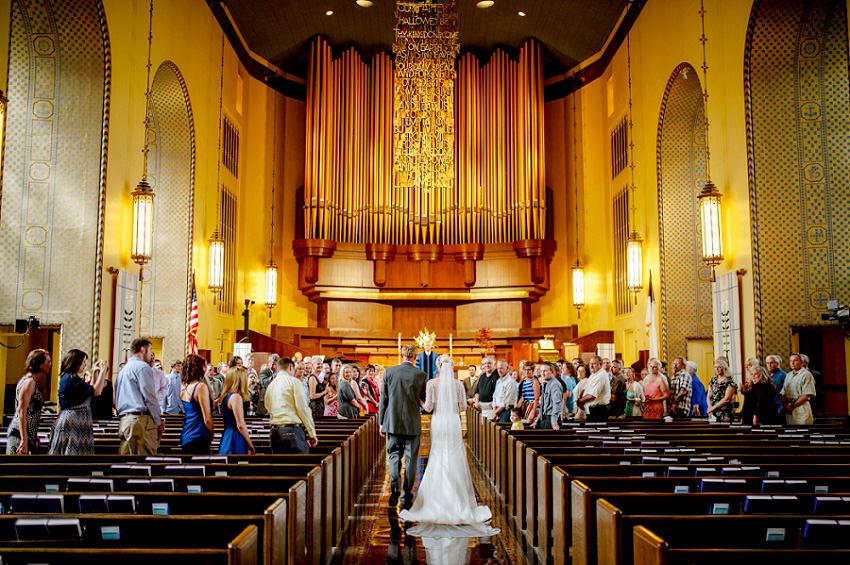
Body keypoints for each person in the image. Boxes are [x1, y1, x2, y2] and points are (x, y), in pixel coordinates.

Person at [398, 353, 499, 538]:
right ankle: (458, 501)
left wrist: (417, 399)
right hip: (453, 421)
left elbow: (428, 408)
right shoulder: (458, 384)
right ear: (451, 366)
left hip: (438, 421)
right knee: (454, 455)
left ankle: (436, 500)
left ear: (437, 366)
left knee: (438, 455)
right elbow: (462, 408)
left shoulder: (432, 384)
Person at [380, 344, 427, 510]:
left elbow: (383, 399)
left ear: (402, 355)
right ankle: (407, 495)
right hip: (412, 423)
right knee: (411, 459)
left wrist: (381, 422)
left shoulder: (389, 372)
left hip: (392, 422)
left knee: (393, 455)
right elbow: (423, 400)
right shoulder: (421, 374)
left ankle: (394, 487)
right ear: (415, 357)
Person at [48, 349, 107, 455]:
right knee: (72, 453)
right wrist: (103, 371)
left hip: (77, 418)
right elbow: (97, 391)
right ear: (76, 362)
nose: (85, 365)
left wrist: (94, 372)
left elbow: (89, 390)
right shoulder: (71, 379)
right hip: (73, 420)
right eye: (84, 362)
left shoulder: (72, 377)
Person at [115, 339, 164, 455]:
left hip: (125, 420)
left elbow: (117, 395)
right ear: (142, 350)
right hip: (140, 422)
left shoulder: (124, 370)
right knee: (144, 463)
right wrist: (158, 422)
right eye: (150, 350)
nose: (151, 354)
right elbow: (150, 397)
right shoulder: (142, 367)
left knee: (127, 464)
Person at [265, 357, 318, 454]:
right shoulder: (294, 382)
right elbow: (303, 409)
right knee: (299, 467)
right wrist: (311, 432)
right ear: (290, 367)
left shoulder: (271, 385)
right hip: (291, 430)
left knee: (281, 467)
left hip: (275, 432)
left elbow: (267, 407)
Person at [6, 349, 50, 455]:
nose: (50, 365)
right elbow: (22, 411)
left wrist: (33, 435)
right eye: (48, 362)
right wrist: (24, 439)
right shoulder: (29, 382)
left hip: (27, 433)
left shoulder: (32, 381)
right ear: (40, 365)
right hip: (19, 433)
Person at [180, 354, 214, 454]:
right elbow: (207, 418)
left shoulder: (184, 387)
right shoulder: (200, 387)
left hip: (186, 434)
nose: (205, 369)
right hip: (199, 434)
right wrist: (212, 431)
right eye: (204, 367)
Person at [219, 366, 255, 455]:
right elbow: (240, 425)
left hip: (228, 434)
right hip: (234, 436)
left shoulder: (227, 396)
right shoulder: (235, 397)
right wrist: (249, 443)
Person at [781, 353, 816, 425]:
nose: (792, 363)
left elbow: (805, 395)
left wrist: (792, 406)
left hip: (801, 407)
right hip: (789, 408)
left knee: (802, 431)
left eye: (795, 360)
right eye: (791, 361)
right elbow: (783, 393)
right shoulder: (788, 375)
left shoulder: (806, 374)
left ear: (802, 362)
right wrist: (786, 406)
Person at [577, 356, 611, 422]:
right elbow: (586, 389)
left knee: (595, 431)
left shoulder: (600, 376)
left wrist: (580, 401)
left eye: (594, 364)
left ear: (600, 364)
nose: (591, 366)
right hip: (593, 410)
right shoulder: (594, 374)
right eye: (590, 364)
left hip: (599, 410)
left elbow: (591, 395)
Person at [532, 362, 563, 429]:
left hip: (551, 418)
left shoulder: (554, 384)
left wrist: (554, 421)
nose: (542, 373)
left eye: (545, 371)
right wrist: (537, 420)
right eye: (541, 371)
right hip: (544, 417)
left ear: (552, 371)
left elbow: (557, 403)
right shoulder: (546, 383)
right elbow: (543, 405)